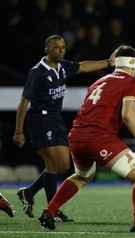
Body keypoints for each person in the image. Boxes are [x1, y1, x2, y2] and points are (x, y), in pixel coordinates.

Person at [37, 45, 135, 232]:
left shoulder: (99, 82)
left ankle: (49, 211)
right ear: (133, 65)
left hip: (76, 135)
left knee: (84, 176)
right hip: (98, 137)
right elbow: (128, 115)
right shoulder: (132, 83)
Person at [13, 34, 115, 221]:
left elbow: (84, 66)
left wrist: (109, 62)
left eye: (63, 47)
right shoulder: (37, 72)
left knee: (64, 166)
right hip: (40, 120)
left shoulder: (62, 67)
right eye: (56, 47)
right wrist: (18, 131)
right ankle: (52, 210)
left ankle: (29, 192)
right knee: (52, 165)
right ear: (47, 50)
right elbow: (24, 101)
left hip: (55, 119)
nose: (61, 50)